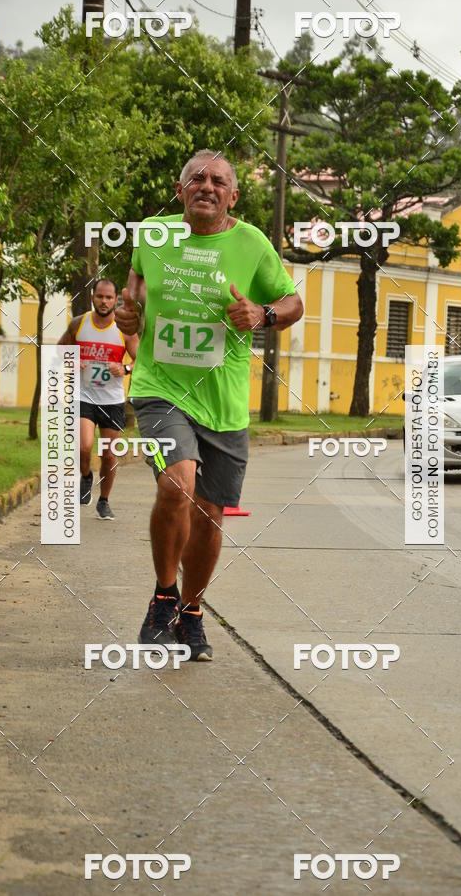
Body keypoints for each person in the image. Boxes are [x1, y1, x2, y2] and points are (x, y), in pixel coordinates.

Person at [116, 149, 304, 661]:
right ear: (180, 191)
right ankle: (163, 597)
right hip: (160, 387)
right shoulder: (154, 237)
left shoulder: (252, 244)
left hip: (224, 402)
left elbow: (294, 305)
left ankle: (191, 612)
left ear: (233, 196)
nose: (207, 186)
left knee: (211, 513)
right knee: (177, 483)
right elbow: (133, 287)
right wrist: (128, 314)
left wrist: (263, 314)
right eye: (196, 179)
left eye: (219, 181)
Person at [59, 278, 138, 520]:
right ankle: (85, 476)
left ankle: (104, 500)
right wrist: (73, 360)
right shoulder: (78, 323)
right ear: (93, 297)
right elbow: (60, 350)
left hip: (112, 401)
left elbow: (141, 362)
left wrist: (124, 369)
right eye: (99, 296)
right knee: (84, 446)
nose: (103, 301)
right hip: (84, 396)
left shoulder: (125, 329)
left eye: (108, 298)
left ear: (116, 300)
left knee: (109, 455)